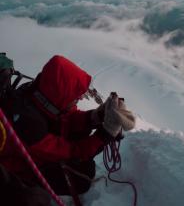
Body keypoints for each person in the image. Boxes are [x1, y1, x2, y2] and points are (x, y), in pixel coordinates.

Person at [0, 55, 135, 205]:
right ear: (60, 96)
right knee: (81, 178)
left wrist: (95, 116)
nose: (78, 100)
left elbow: (66, 118)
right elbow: (72, 152)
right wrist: (104, 134)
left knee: (81, 150)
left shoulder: (38, 92)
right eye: (75, 98)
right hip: (18, 171)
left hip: (37, 148)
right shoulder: (30, 126)